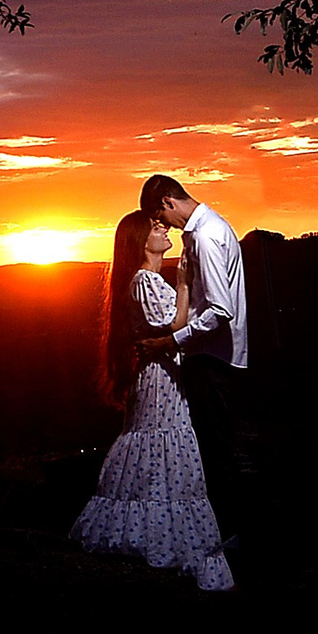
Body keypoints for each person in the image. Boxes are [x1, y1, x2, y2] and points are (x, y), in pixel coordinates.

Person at [68, 211, 235, 590]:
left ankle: (154, 536)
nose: (163, 229)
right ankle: (160, 541)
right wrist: (184, 284)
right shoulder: (145, 280)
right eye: (155, 227)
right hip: (160, 382)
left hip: (162, 378)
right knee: (161, 446)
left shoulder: (146, 280)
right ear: (140, 241)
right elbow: (174, 325)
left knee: (157, 452)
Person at [136, 174, 254, 546]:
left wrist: (169, 341)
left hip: (212, 355)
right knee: (215, 443)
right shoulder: (203, 231)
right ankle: (227, 527)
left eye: (160, 216)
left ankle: (232, 532)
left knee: (217, 447)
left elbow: (220, 309)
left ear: (168, 202)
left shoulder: (205, 236)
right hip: (210, 353)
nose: (163, 225)